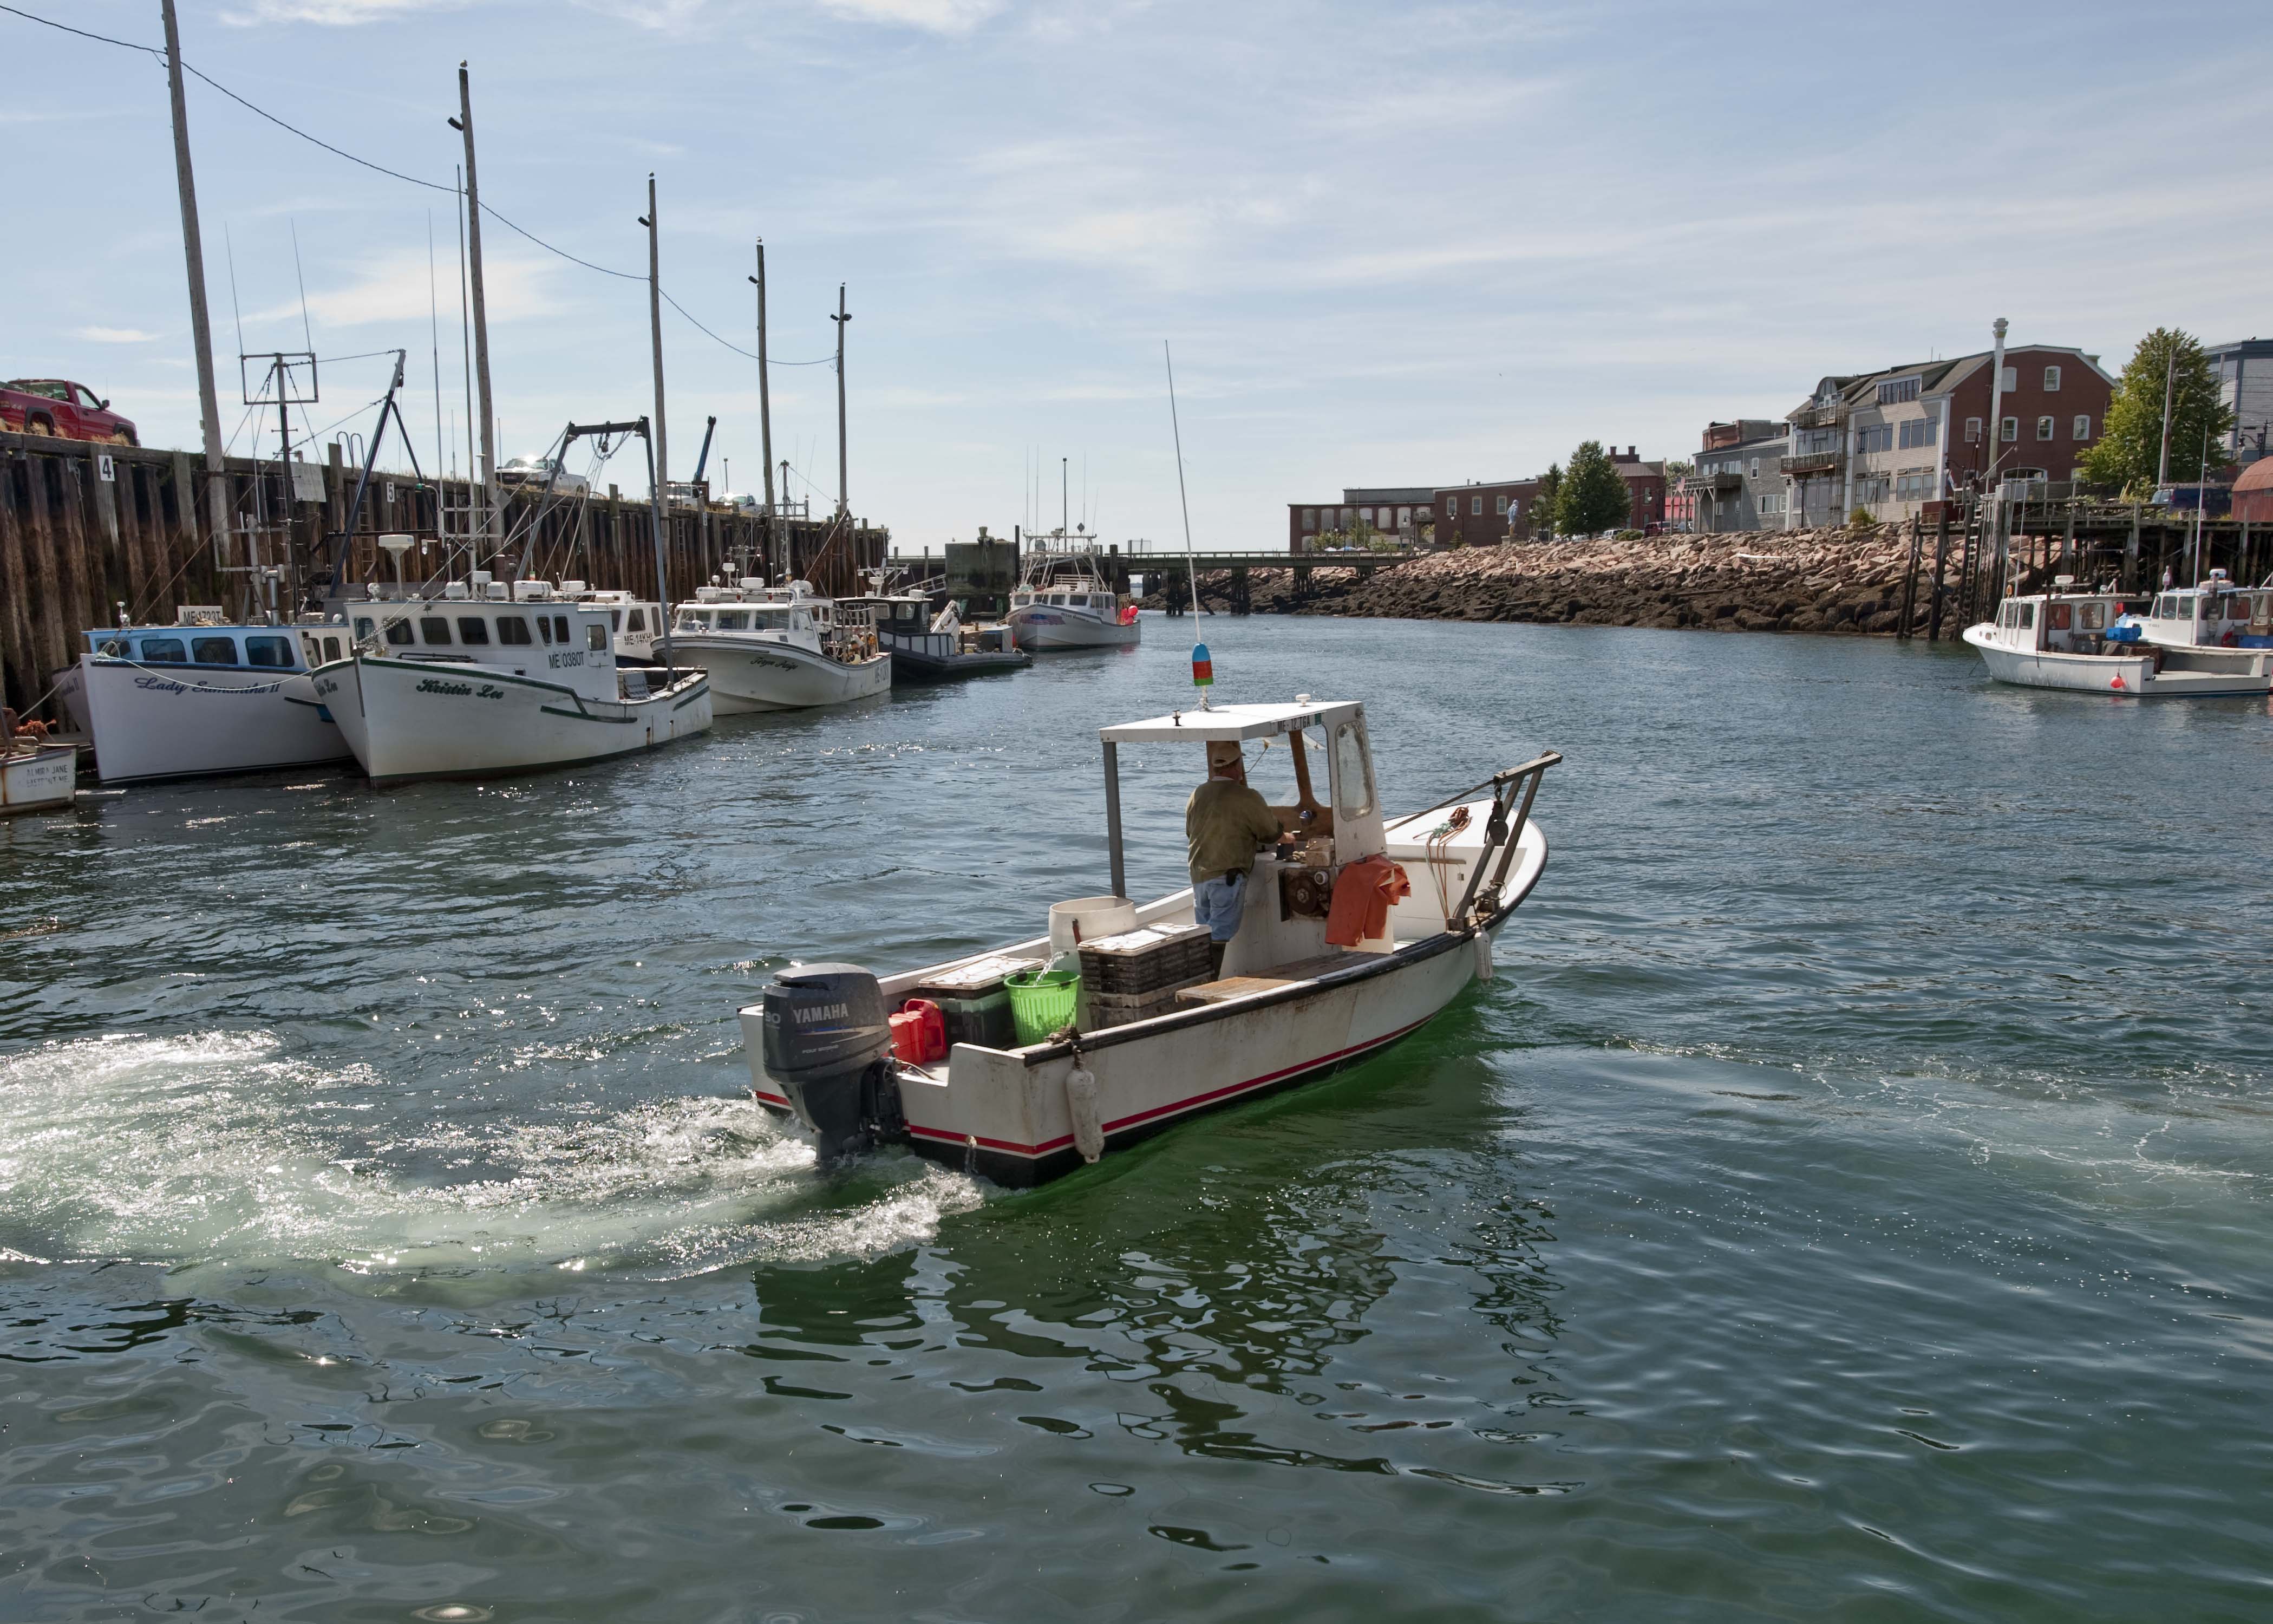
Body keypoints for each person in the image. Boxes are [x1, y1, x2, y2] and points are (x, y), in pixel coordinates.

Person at [1186, 740, 1288, 976]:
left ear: (1215, 769)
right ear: (1237, 767)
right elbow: (1270, 833)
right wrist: (1286, 836)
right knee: (1219, 935)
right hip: (1226, 876)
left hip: (1199, 875)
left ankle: (1197, 984)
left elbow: (1191, 831)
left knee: (1203, 933)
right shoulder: (1247, 796)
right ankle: (1207, 988)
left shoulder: (1197, 794)